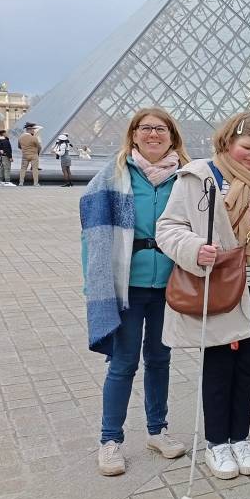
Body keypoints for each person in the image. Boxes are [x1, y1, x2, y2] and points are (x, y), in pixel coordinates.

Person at [157, 112, 250, 480]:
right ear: (228, 143)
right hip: (218, 286)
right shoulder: (201, 177)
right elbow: (168, 228)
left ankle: (241, 437)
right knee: (219, 365)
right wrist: (193, 248)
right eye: (246, 147)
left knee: (247, 366)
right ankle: (218, 442)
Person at [82, 108, 191, 476]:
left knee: (160, 361)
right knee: (123, 363)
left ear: (172, 137)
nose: (153, 134)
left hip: (171, 287)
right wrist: (93, 283)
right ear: (133, 135)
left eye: (160, 129)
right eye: (145, 128)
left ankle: (157, 430)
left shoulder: (187, 179)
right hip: (126, 285)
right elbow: (93, 237)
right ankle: (110, 440)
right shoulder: (112, 177)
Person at [18, 122, 42, 186]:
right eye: (33, 129)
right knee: (35, 169)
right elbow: (39, 147)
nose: (34, 131)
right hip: (34, 155)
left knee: (23, 169)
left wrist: (25, 150)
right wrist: (37, 152)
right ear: (29, 130)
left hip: (25, 155)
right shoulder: (33, 138)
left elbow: (19, 146)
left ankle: (21, 182)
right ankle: (35, 183)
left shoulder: (20, 137)